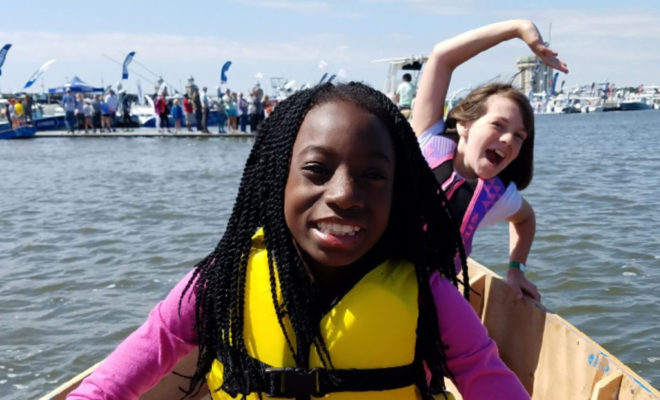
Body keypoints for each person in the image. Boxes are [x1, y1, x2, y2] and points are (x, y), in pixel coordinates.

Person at [66, 82, 529, 400]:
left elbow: (488, 379)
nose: (345, 195)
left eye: (373, 176)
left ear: (399, 192)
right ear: (277, 180)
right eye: (316, 171)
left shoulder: (432, 298)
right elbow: (109, 385)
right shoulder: (219, 283)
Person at [411, 19, 568, 301]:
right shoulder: (426, 139)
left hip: (428, 297)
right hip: (371, 275)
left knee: (481, 348)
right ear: (464, 125)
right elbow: (442, 57)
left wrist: (516, 269)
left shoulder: (497, 195)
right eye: (498, 125)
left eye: (519, 136)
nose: (509, 140)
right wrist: (518, 29)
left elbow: (526, 220)